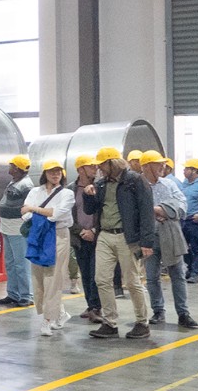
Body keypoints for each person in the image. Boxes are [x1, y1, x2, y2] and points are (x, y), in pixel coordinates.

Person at [83, 146, 155, 340]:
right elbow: (90, 210)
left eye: (102, 164)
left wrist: (147, 242)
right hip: (104, 236)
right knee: (101, 279)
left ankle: (142, 323)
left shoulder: (135, 180)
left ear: (112, 163)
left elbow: (147, 211)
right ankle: (109, 323)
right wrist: (87, 194)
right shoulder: (100, 184)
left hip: (127, 237)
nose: (99, 168)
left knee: (132, 282)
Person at [141, 151, 198, 329]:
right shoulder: (138, 186)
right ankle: (158, 311)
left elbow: (182, 205)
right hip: (148, 236)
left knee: (178, 274)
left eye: (163, 163)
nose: (162, 166)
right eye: (158, 163)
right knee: (152, 276)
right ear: (146, 166)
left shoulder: (169, 184)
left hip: (170, 232)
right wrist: (158, 210)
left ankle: (183, 313)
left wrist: (161, 210)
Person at [21, 159, 76, 336]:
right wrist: (37, 211)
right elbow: (24, 213)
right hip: (38, 236)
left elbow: (56, 214)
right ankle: (60, 313)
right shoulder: (35, 192)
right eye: (51, 171)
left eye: (58, 171)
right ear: (44, 174)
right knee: (38, 277)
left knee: (53, 278)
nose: (55, 174)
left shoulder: (67, 193)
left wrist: (34, 209)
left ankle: (47, 320)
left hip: (59, 236)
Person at [0, 155, 35, 307]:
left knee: (21, 263)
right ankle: (13, 293)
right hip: (7, 227)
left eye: (11, 165)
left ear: (17, 168)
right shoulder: (15, 181)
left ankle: (26, 295)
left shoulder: (26, 185)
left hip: (18, 229)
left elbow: (29, 207)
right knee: (10, 263)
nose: (9, 168)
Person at [70, 155, 105, 320]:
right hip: (79, 237)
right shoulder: (71, 190)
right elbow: (67, 215)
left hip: (98, 237)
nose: (95, 168)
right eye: (91, 166)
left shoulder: (100, 187)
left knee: (95, 274)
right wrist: (81, 231)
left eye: (95, 166)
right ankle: (90, 305)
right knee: (85, 272)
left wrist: (93, 231)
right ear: (80, 169)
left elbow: (105, 213)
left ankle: (97, 308)